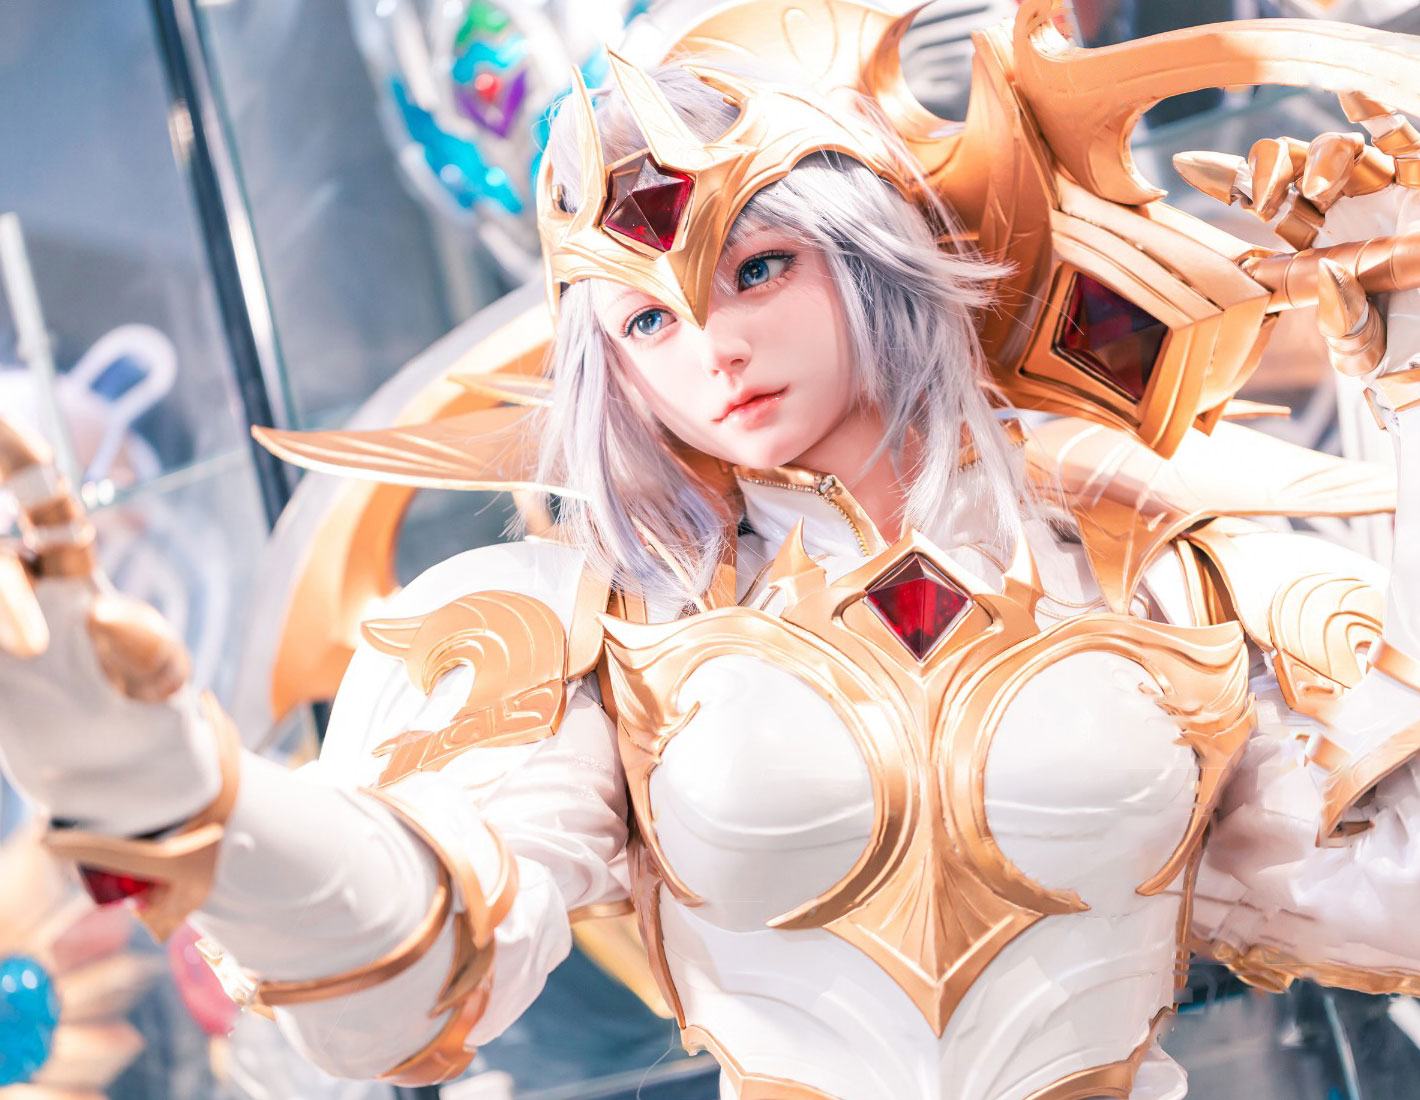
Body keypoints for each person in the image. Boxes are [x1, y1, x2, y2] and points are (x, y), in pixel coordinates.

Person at [4, 2, 1420, 1097]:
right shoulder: (584, 624)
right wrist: (180, 794)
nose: (714, 350)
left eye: (757, 268)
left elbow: (1398, 903)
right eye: (645, 323)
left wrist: (1407, 367)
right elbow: (416, 973)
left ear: (871, 249)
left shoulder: (1173, 568)